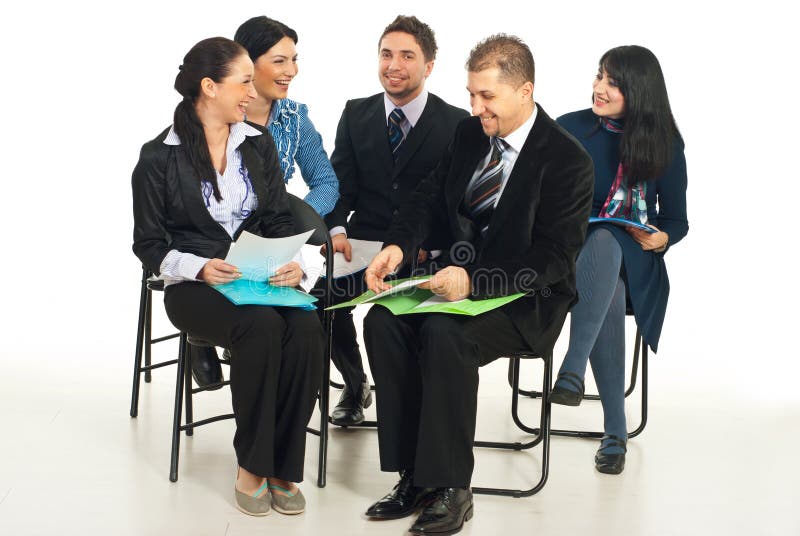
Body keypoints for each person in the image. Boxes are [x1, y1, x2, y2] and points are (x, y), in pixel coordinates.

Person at [362, 35, 593, 535]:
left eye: (487, 96)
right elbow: (425, 200)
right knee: (382, 321)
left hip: (524, 297)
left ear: (525, 90)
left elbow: (553, 259)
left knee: (446, 335)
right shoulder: (470, 135)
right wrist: (398, 247)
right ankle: (414, 477)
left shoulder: (567, 160)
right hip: (453, 280)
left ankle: (452, 488)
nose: (475, 107)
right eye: (470, 94)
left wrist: (475, 282)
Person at [131, 37, 323, 517]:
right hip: (197, 289)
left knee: (304, 327)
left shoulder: (257, 147)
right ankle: (251, 465)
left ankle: (284, 465)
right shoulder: (157, 158)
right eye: (243, 83)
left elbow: (280, 219)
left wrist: (299, 262)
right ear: (210, 87)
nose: (251, 94)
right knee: (259, 328)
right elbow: (149, 246)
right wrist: (198, 267)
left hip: (257, 279)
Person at [323, 15, 468, 426]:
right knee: (318, 299)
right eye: (387, 54)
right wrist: (336, 231)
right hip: (364, 245)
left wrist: (433, 245)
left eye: (407, 56)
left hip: (425, 248)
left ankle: (414, 402)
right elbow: (338, 187)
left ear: (429, 66)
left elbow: (459, 202)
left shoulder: (459, 122)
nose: (394, 65)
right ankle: (355, 385)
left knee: (402, 321)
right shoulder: (356, 114)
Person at [551, 45, 688, 474]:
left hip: (636, 259)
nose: (599, 88)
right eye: (598, 77)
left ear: (639, 91)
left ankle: (573, 369)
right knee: (603, 247)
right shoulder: (568, 128)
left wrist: (661, 239)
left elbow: (676, 220)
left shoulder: (664, 143)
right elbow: (541, 200)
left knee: (611, 241)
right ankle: (615, 430)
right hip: (569, 256)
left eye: (612, 82)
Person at [187, 16, 341, 386]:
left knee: (319, 269)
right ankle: (203, 334)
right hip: (210, 235)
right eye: (279, 61)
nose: (292, 71)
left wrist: (293, 226)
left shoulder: (294, 118)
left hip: (270, 233)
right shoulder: (208, 114)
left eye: (294, 59)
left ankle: (311, 373)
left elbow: (325, 182)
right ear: (245, 64)